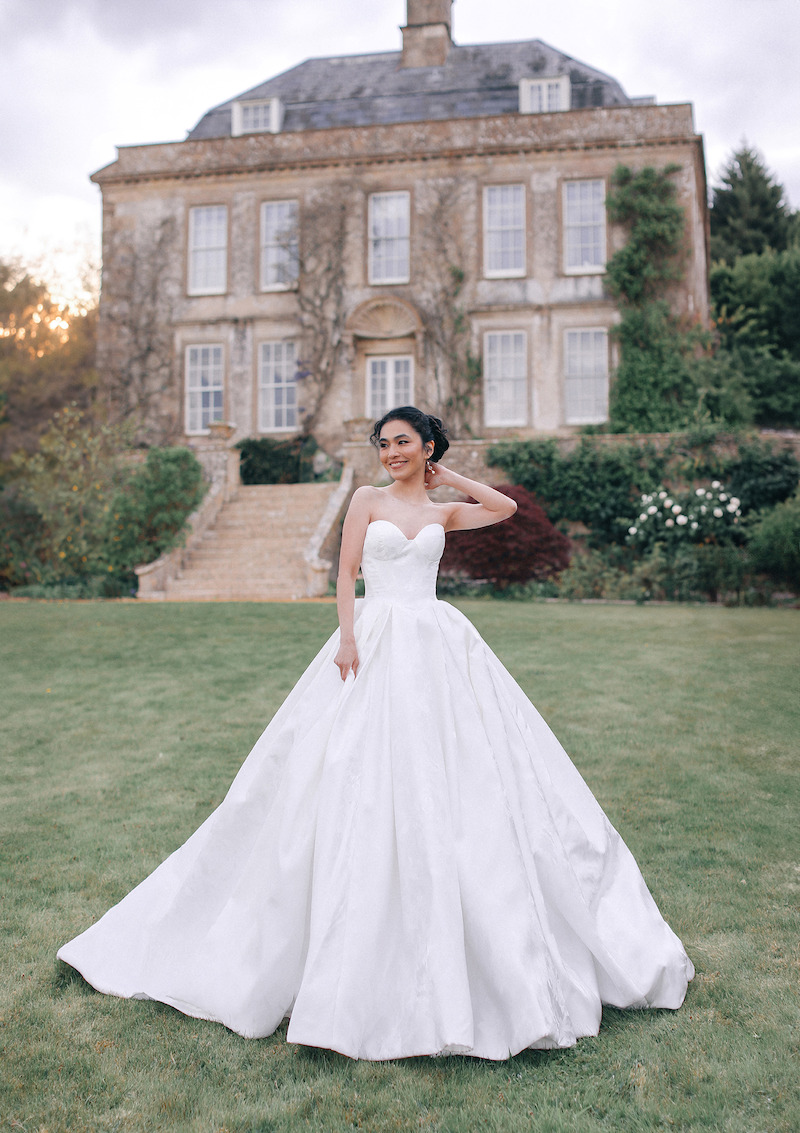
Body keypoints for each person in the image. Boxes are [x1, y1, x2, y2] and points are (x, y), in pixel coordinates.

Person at [58, 406, 693, 1061]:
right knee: (346, 776)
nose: (390, 452)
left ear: (426, 446)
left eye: (402, 442)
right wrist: (349, 637)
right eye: (384, 443)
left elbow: (503, 508)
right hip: (374, 639)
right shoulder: (365, 498)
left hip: (439, 644)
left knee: (465, 775)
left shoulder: (444, 509)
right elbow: (345, 572)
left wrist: (454, 478)